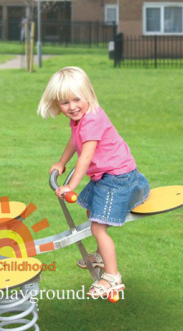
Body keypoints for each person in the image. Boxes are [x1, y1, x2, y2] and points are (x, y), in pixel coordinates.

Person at [37, 66, 150, 297]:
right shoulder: (80, 119)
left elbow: (86, 157)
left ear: (88, 94)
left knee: (98, 227)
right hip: (106, 175)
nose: (72, 107)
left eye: (77, 99)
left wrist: (70, 186)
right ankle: (100, 255)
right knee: (91, 212)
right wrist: (61, 163)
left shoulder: (92, 120)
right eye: (64, 103)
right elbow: (74, 140)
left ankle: (112, 277)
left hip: (118, 178)